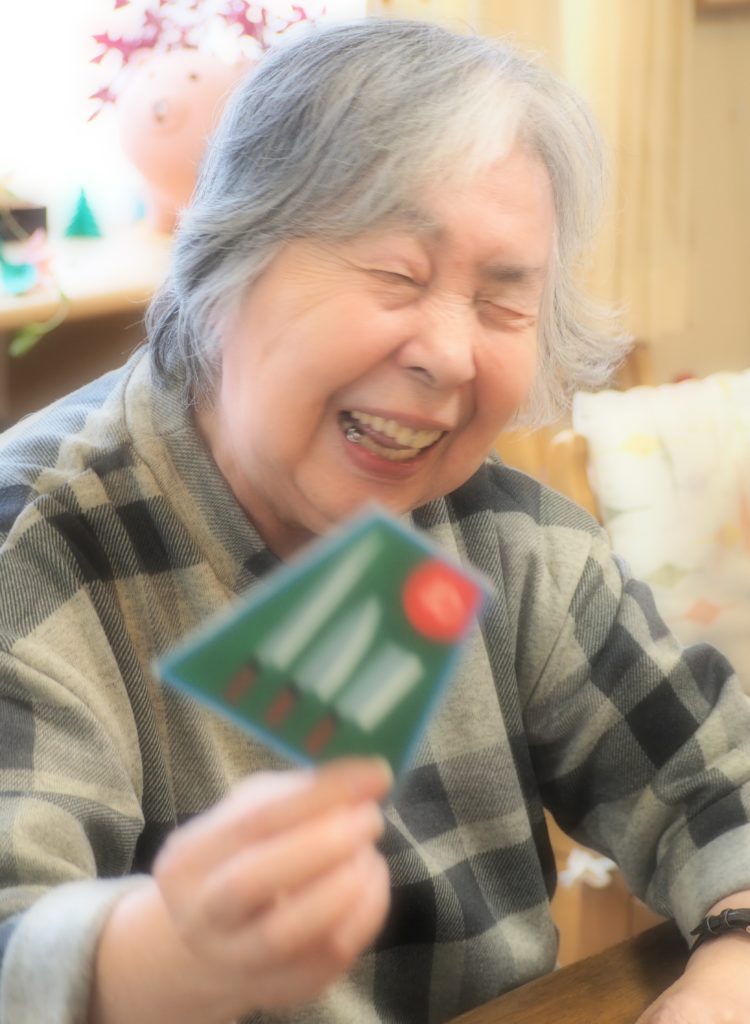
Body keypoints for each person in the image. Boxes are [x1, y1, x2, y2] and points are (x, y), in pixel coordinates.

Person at [0, 17, 749, 1024]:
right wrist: (164, 954)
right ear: (223, 265)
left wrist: (731, 970)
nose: (449, 353)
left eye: (502, 302)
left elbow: (716, 782)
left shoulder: (509, 536)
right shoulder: (35, 553)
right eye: (396, 273)